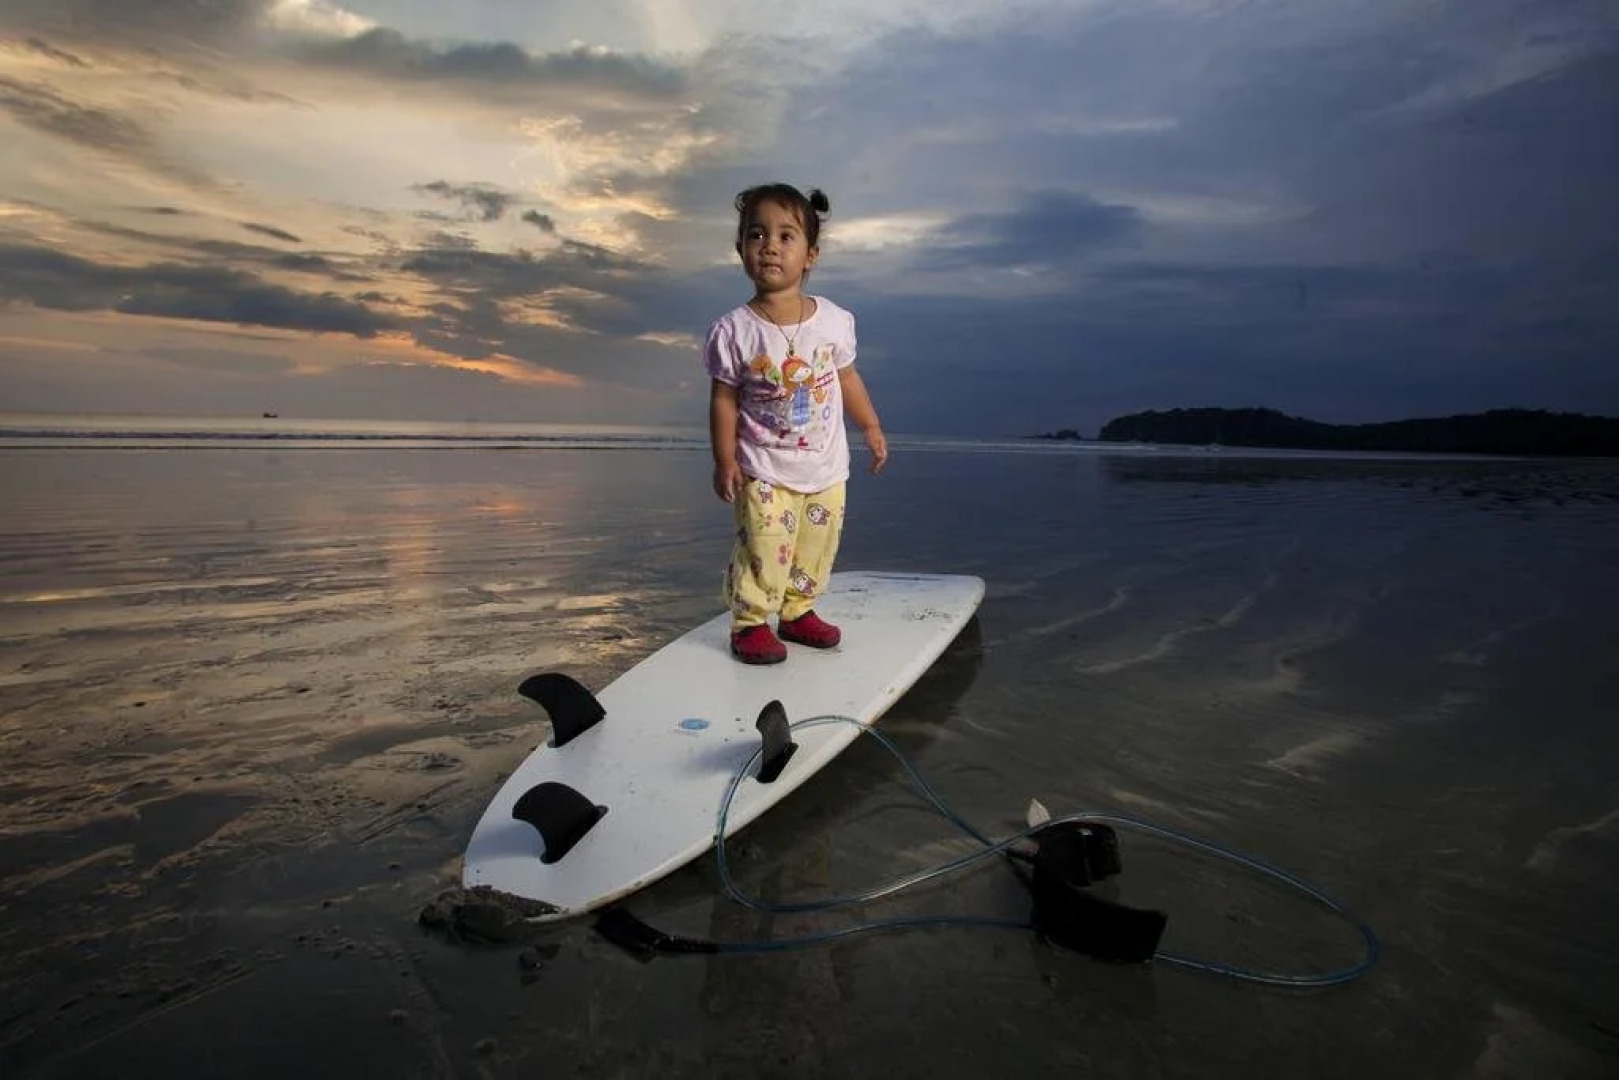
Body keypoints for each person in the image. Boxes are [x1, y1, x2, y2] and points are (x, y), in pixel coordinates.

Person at [702, 183, 888, 664]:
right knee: (765, 544)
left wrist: (870, 427)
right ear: (741, 249)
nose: (770, 246)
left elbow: (847, 378)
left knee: (815, 545)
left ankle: (798, 611)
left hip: (825, 464)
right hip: (763, 464)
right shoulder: (734, 330)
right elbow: (724, 399)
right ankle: (750, 621)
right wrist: (724, 459)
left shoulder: (834, 321)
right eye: (757, 234)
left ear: (810, 256)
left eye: (786, 236)